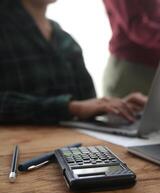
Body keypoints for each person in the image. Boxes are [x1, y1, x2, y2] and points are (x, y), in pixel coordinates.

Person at [0, 0, 147, 124]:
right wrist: (71, 108)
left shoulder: (65, 40)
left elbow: (87, 103)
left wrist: (115, 108)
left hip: (70, 145)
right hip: (20, 148)